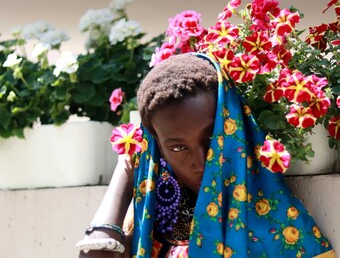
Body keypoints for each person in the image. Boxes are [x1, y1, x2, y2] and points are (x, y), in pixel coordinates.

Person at [77, 53, 336, 257]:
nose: (201, 162)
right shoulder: (153, 219)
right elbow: (95, 253)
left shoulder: (279, 225)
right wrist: (126, 166)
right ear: (158, 147)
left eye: (213, 139)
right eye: (178, 147)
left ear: (234, 128)